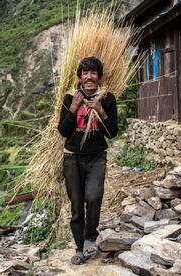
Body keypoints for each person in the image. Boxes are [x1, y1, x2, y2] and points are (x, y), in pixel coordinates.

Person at [57, 56, 118, 265]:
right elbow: (63, 131)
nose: (89, 77)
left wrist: (101, 111)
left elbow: (112, 133)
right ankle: (79, 248)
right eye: (85, 73)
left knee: (93, 197)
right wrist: (73, 109)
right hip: (72, 157)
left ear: (99, 76)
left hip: (97, 156)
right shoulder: (69, 98)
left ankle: (90, 236)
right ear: (79, 77)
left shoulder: (108, 99)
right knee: (76, 204)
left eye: (93, 73)